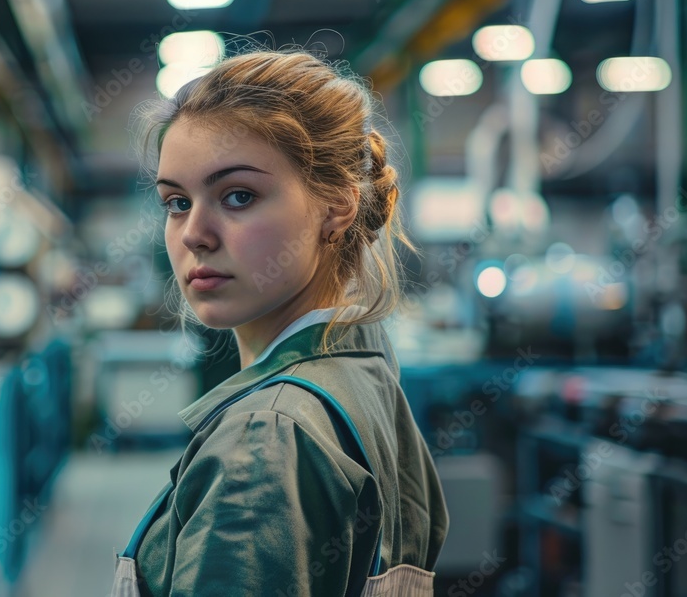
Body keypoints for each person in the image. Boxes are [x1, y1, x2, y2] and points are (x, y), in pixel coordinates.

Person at [112, 48, 449, 597]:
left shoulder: (264, 437)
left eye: (238, 196)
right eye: (176, 202)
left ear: (336, 206)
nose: (194, 232)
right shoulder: (365, 373)